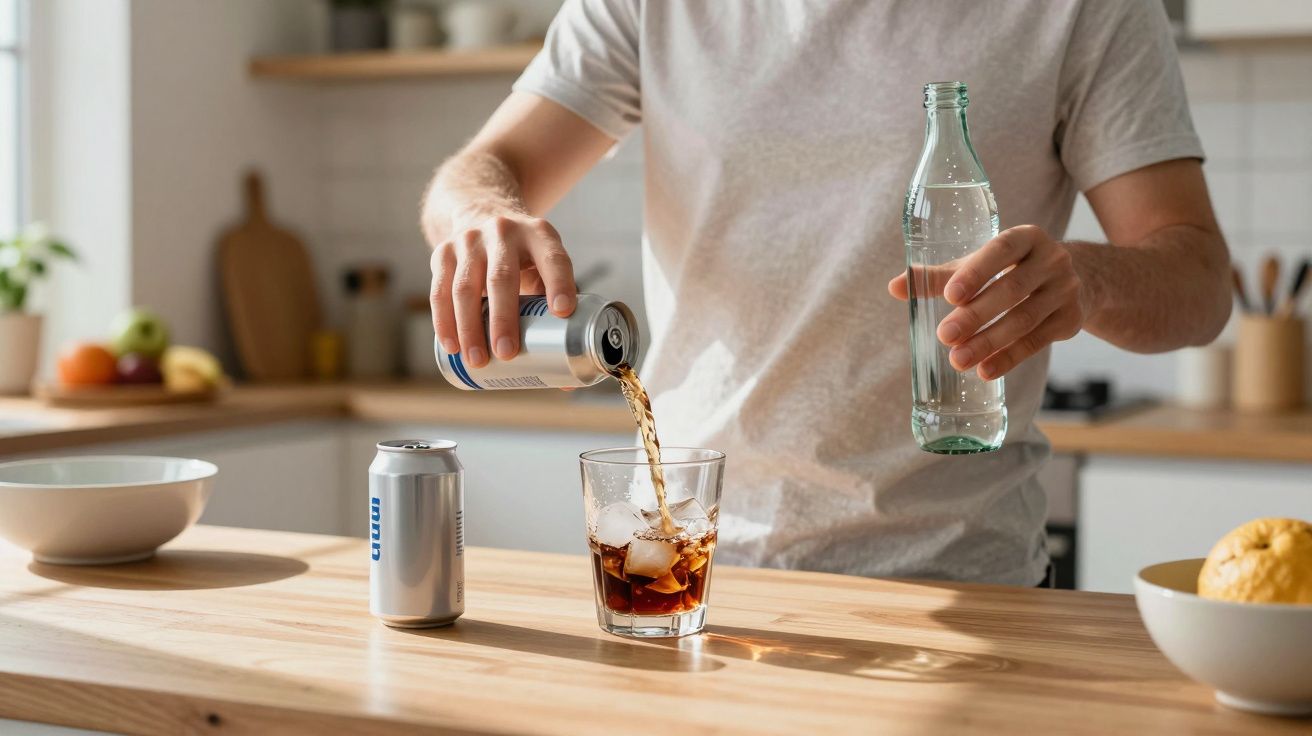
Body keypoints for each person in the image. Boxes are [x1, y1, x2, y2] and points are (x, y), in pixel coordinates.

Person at [420, 1, 1231, 585]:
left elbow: (1197, 281)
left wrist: (1083, 281)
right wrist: (482, 214)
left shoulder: (1085, 11)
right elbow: (480, 171)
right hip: (683, 574)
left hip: (957, 578)